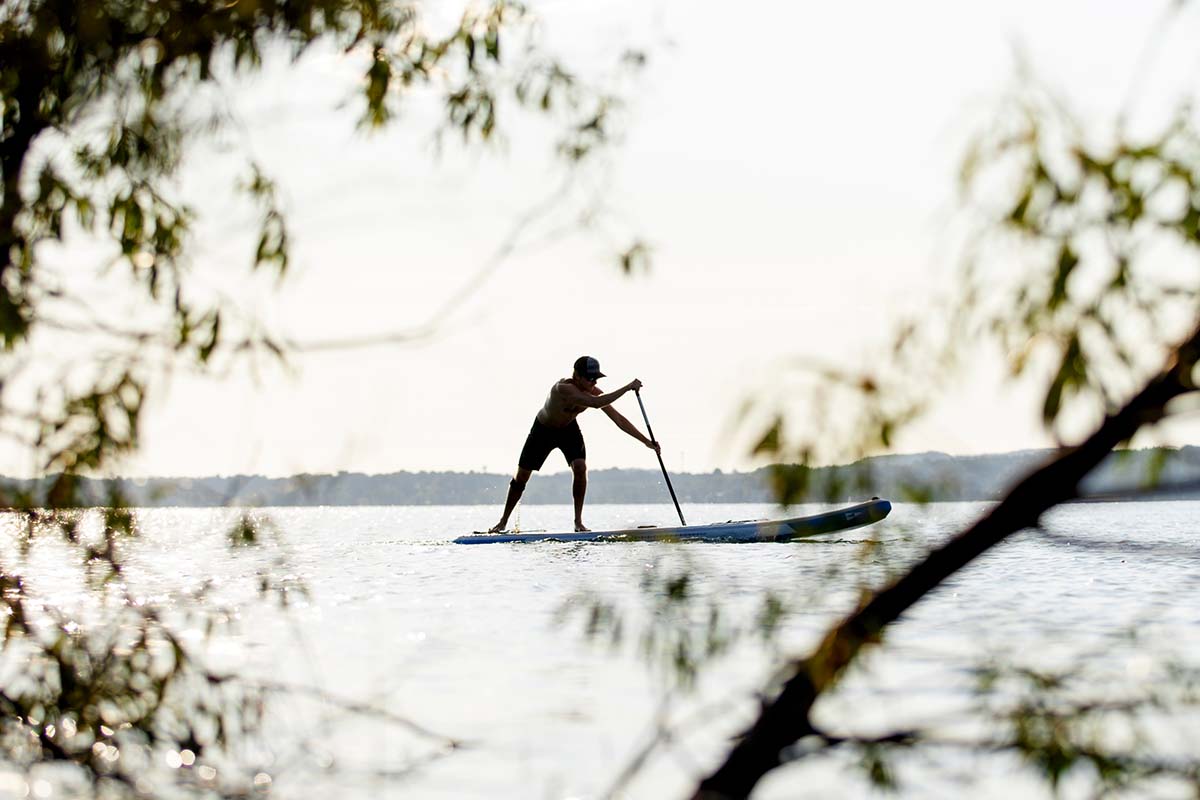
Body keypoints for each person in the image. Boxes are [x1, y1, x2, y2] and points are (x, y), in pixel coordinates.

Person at [489, 356, 660, 533]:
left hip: (568, 430)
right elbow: (595, 404)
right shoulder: (563, 389)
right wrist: (627, 387)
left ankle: (578, 522)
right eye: (589, 378)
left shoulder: (593, 391)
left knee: (580, 467)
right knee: (522, 476)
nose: (593, 382)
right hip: (543, 430)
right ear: (577, 376)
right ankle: (502, 522)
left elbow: (619, 420)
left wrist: (647, 441)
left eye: (596, 378)